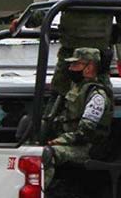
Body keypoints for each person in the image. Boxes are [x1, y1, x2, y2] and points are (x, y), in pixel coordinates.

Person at [42, 48, 114, 186]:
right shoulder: (76, 89)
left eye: (76, 65)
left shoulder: (96, 96)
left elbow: (85, 132)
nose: (71, 68)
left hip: (88, 148)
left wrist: (61, 140)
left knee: (48, 154)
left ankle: (41, 196)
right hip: (73, 142)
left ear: (89, 67)